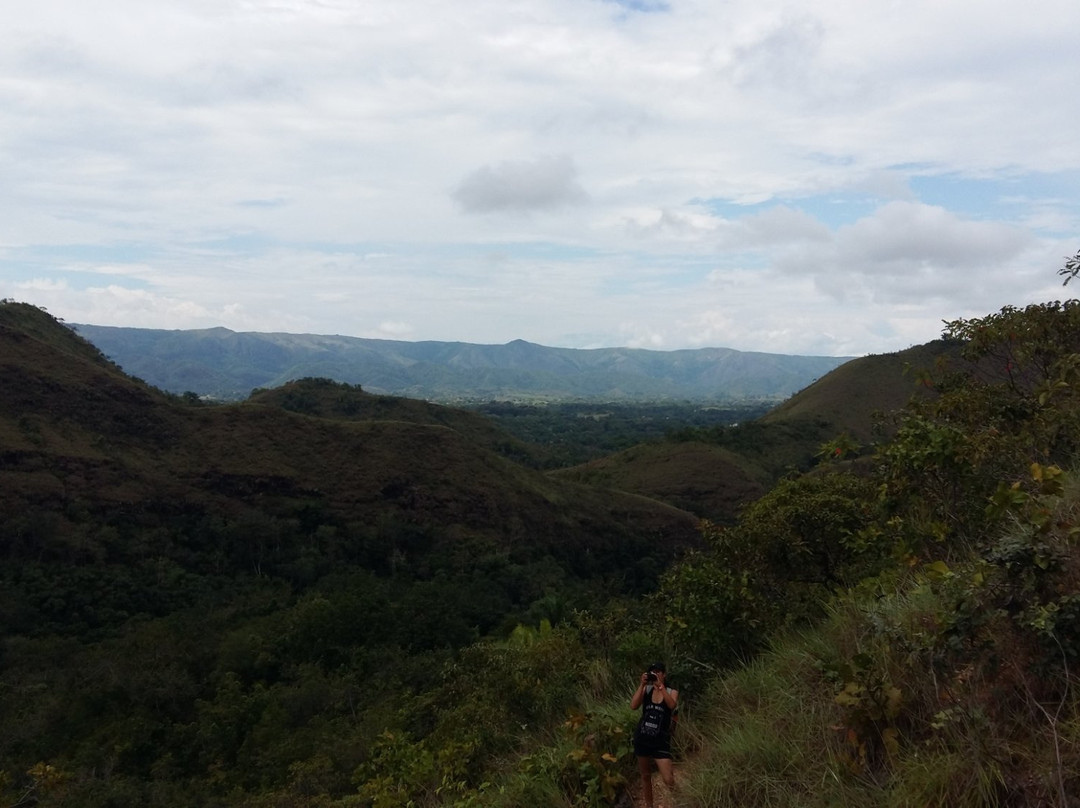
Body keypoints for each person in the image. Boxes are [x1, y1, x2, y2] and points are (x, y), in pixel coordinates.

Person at [630, 661, 678, 808]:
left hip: (661, 740)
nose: (655, 674)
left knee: (668, 778)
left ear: (664, 674)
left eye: (658, 672)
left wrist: (660, 687)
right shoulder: (647, 690)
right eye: (653, 672)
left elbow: (672, 705)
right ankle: (649, 805)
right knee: (645, 775)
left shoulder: (671, 691)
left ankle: (681, 800)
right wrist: (642, 685)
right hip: (643, 737)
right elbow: (633, 706)